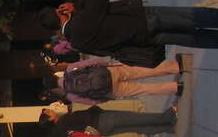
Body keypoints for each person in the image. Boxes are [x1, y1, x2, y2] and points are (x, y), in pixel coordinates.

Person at [39, 0, 218, 54]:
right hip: (140, 20)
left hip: (142, 39)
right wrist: (76, 6)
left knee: (189, 39)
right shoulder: (79, 20)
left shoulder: (77, 43)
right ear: (60, 12)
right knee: (189, 17)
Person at [42, 57, 182, 105]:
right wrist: (106, 64)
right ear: (55, 76)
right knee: (144, 71)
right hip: (110, 72)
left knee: (144, 89)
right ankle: (176, 67)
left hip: (110, 91)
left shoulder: (71, 96)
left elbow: (92, 101)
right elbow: (93, 61)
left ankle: (176, 87)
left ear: (54, 89)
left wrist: (106, 98)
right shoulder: (70, 69)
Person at [39, 105, 177, 137]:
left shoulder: (60, 133)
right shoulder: (65, 120)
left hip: (102, 132)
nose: (52, 111)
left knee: (135, 127)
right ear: (50, 119)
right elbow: (86, 116)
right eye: (50, 112)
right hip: (102, 120)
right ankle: (168, 116)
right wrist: (95, 109)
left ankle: (166, 127)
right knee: (136, 118)